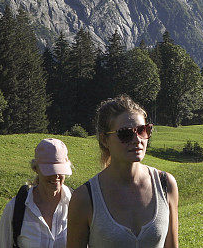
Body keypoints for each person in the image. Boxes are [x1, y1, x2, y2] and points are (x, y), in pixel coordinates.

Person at [67, 95, 179, 248]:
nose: (136, 139)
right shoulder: (85, 197)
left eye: (142, 130)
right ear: (105, 140)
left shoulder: (165, 184)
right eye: (125, 133)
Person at [0, 138, 73, 248]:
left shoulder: (77, 205)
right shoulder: (16, 208)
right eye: (50, 170)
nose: (56, 175)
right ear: (36, 169)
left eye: (60, 170)